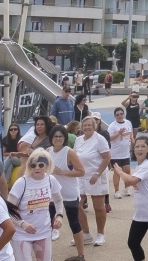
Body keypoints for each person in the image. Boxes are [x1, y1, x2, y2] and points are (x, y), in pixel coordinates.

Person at [115, 135, 148, 261]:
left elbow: (132, 181)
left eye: (143, 146)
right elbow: (136, 183)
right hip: (141, 214)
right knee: (133, 243)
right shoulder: (140, 166)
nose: (140, 149)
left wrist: (120, 171)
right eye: (137, 146)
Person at [8, 149, 65, 261]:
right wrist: (22, 223)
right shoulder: (21, 182)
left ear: (47, 165)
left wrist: (59, 215)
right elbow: (8, 209)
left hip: (44, 233)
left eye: (41, 165)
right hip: (22, 234)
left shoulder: (50, 180)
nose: (37, 168)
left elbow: (58, 200)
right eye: (33, 165)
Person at [46, 127, 87, 257]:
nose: (57, 139)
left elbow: (81, 171)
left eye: (60, 136)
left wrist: (63, 172)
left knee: (74, 223)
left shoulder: (69, 152)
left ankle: (81, 255)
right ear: (51, 138)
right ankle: (46, 255)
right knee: (47, 224)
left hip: (69, 194)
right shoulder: (48, 151)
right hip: (52, 195)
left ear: (65, 138)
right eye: (55, 136)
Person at [73, 116, 113, 246]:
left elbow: (107, 158)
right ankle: (86, 234)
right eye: (85, 125)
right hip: (81, 176)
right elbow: (74, 157)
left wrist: (97, 173)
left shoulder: (99, 139)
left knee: (98, 207)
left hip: (96, 175)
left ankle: (100, 234)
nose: (87, 127)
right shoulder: (78, 140)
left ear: (94, 126)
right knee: (77, 206)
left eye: (89, 125)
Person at [108, 108, 135, 199]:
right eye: (117, 114)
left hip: (125, 152)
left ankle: (127, 187)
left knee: (127, 170)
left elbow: (130, 132)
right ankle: (116, 191)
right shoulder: (112, 126)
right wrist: (118, 133)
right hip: (115, 153)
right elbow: (110, 138)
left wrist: (132, 138)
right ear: (115, 116)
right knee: (117, 172)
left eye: (121, 114)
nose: (119, 116)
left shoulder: (128, 123)